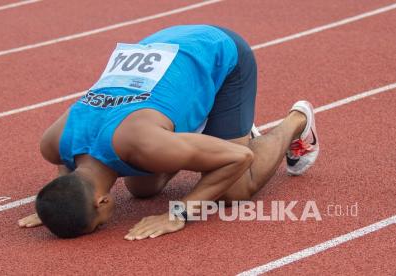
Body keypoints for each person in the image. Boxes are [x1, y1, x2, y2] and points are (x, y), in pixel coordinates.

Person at [18, 25, 319, 239]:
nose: (102, 226)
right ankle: (206, 133)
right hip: (163, 47)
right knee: (142, 189)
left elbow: (238, 157)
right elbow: (65, 164)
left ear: (103, 201)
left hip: (216, 52)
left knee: (233, 190)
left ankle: (297, 122)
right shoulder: (53, 143)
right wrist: (57, 206)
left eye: (97, 225)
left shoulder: (143, 143)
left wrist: (179, 214)